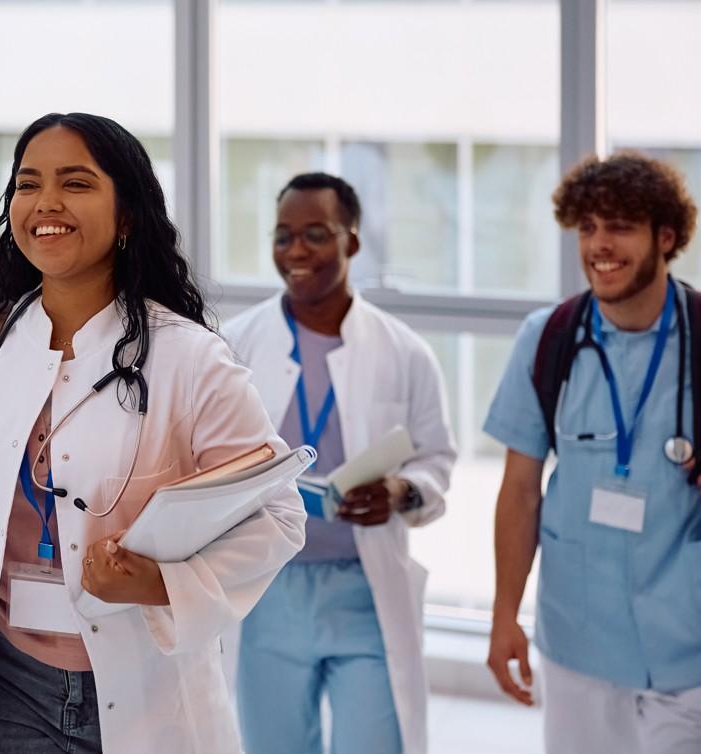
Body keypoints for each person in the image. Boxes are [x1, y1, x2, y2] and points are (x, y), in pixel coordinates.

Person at [0, 112, 306, 754]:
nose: (47, 204)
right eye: (28, 184)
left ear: (126, 216)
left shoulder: (190, 358)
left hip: (143, 692)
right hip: (1, 683)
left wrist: (159, 585)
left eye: (76, 183)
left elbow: (278, 517)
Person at [221, 172, 456, 754]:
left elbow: (438, 459)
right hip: (265, 588)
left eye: (316, 234)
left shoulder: (405, 352)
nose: (296, 251)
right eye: (283, 236)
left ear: (352, 240)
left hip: (365, 590)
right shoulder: (236, 344)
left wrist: (404, 490)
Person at [483, 152, 701, 753]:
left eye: (620, 226)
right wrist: (505, 615)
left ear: (667, 236)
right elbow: (521, 491)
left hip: (687, 656)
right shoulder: (548, 340)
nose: (599, 246)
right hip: (578, 643)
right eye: (588, 228)